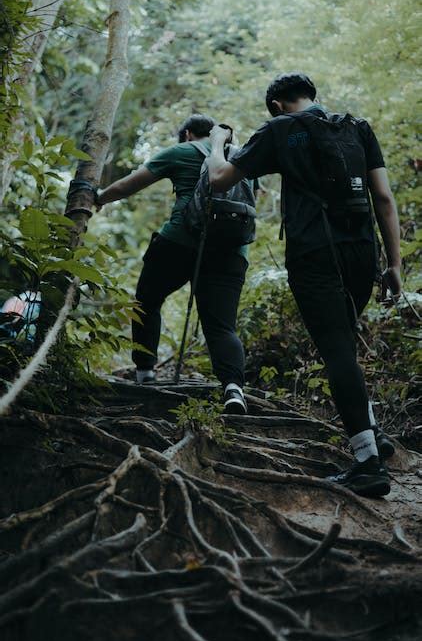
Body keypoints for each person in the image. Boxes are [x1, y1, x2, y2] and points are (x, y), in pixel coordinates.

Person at [207, 73, 401, 497]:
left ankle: (368, 462)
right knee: (344, 343)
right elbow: (383, 198)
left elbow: (219, 179)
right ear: (311, 97)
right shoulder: (357, 128)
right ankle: (373, 432)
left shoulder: (280, 129)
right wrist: (395, 264)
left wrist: (217, 142)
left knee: (335, 350)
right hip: (362, 254)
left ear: (276, 105)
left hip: (315, 254)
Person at [96, 114, 249, 414]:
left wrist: (99, 197)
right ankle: (233, 388)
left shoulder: (182, 151)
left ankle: (145, 374)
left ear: (189, 134)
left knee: (146, 302)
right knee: (221, 326)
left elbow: (129, 185)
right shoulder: (241, 156)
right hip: (232, 250)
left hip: (180, 242)